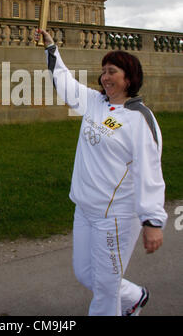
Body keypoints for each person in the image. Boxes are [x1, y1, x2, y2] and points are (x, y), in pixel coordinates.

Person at [35, 29, 167, 316]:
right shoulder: (96, 103)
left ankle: (121, 304)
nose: (105, 77)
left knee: (105, 291)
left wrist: (153, 220)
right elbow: (66, 83)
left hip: (116, 217)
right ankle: (134, 297)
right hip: (84, 209)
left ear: (128, 78)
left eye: (112, 71)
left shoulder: (140, 120)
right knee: (86, 276)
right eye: (103, 71)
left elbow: (150, 172)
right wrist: (51, 48)